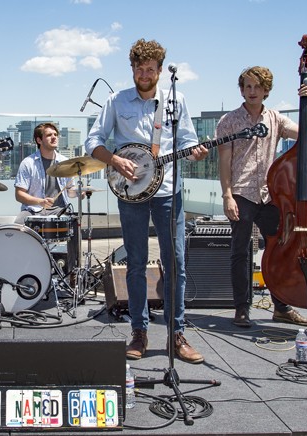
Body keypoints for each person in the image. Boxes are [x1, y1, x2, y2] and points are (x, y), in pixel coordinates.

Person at [85, 38, 209, 364]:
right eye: (139, 69)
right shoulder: (116, 100)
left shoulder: (175, 100)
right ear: (132, 69)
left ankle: (176, 334)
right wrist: (114, 160)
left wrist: (196, 152)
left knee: (176, 263)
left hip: (169, 189)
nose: (144, 74)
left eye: (150, 69)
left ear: (158, 69)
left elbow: (188, 142)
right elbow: (93, 141)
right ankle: (138, 332)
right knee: (136, 263)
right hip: (132, 192)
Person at [216, 66, 307, 328]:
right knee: (240, 253)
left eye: (257, 87)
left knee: (279, 251)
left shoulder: (276, 119)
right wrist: (227, 195)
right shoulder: (228, 121)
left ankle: (281, 307)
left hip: (269, 196)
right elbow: (224, 162)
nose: (251, 91)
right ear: (241, 90)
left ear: (266, 91)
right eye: (247, 86)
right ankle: (241, 309)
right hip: (241, 193)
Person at [14, 123, 79, 274]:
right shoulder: (28, 163)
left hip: (59, 210)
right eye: (49, 135)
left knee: (76, 223)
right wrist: (40, 201)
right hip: (35, 210)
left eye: (55, 134)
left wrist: (80, 193)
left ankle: (72, 273)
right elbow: (19, 195)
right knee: (18, 225)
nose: (54, 137)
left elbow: (70, 192)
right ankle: (22, 270)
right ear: (39, 140)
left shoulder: (65, 162)